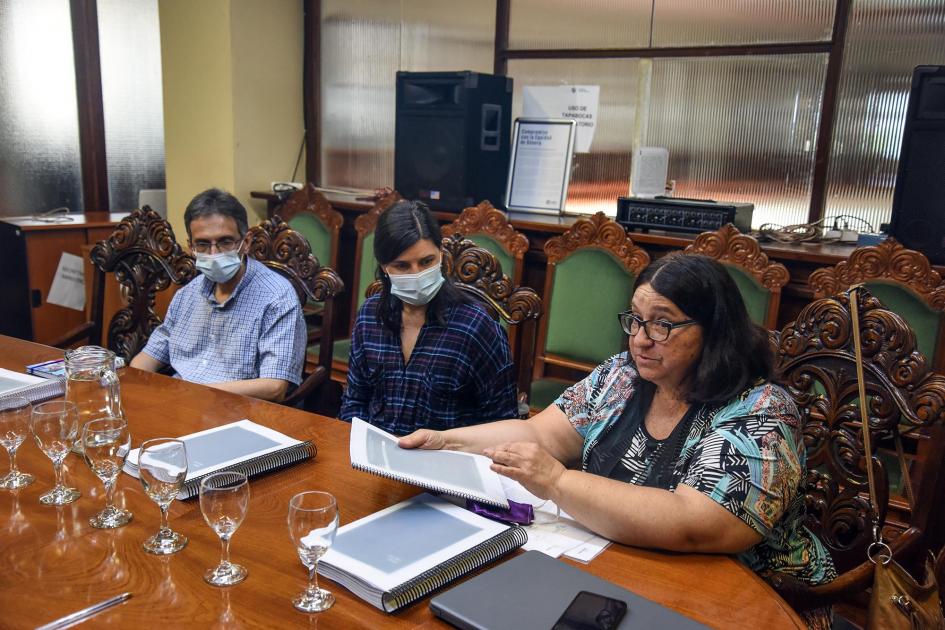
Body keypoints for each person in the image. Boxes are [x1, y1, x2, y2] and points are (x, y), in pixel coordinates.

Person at [400, 253, 836, 627]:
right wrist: (447, 441)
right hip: (625, 571)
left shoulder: (761, 411)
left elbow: (694, 524)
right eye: (636, 320)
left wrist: (557, 483)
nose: (641, 340)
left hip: (749, 599)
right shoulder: (623, 375)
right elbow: (540, 433)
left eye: (663, 325)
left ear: (714, 331)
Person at [339, 200, 519, 435]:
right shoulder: (370, 317)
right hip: (375, 458)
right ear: (385, 267)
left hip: (447, 462)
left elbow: (502, 426)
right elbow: (354, 402)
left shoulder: (477, 327)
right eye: (402, 266)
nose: (417, 274)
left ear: (441, 255)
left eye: (426, 261)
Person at [130, 188, 306, 402]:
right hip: (179, 404)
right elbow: (149, 357)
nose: (214, 254)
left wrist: (196, 394)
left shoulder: (277, 298)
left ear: (246, 242)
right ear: (191, 247)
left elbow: (274, 387)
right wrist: (135, 382)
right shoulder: (187, 295)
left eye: (225, 241)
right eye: (203, 244)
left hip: (240, 411)